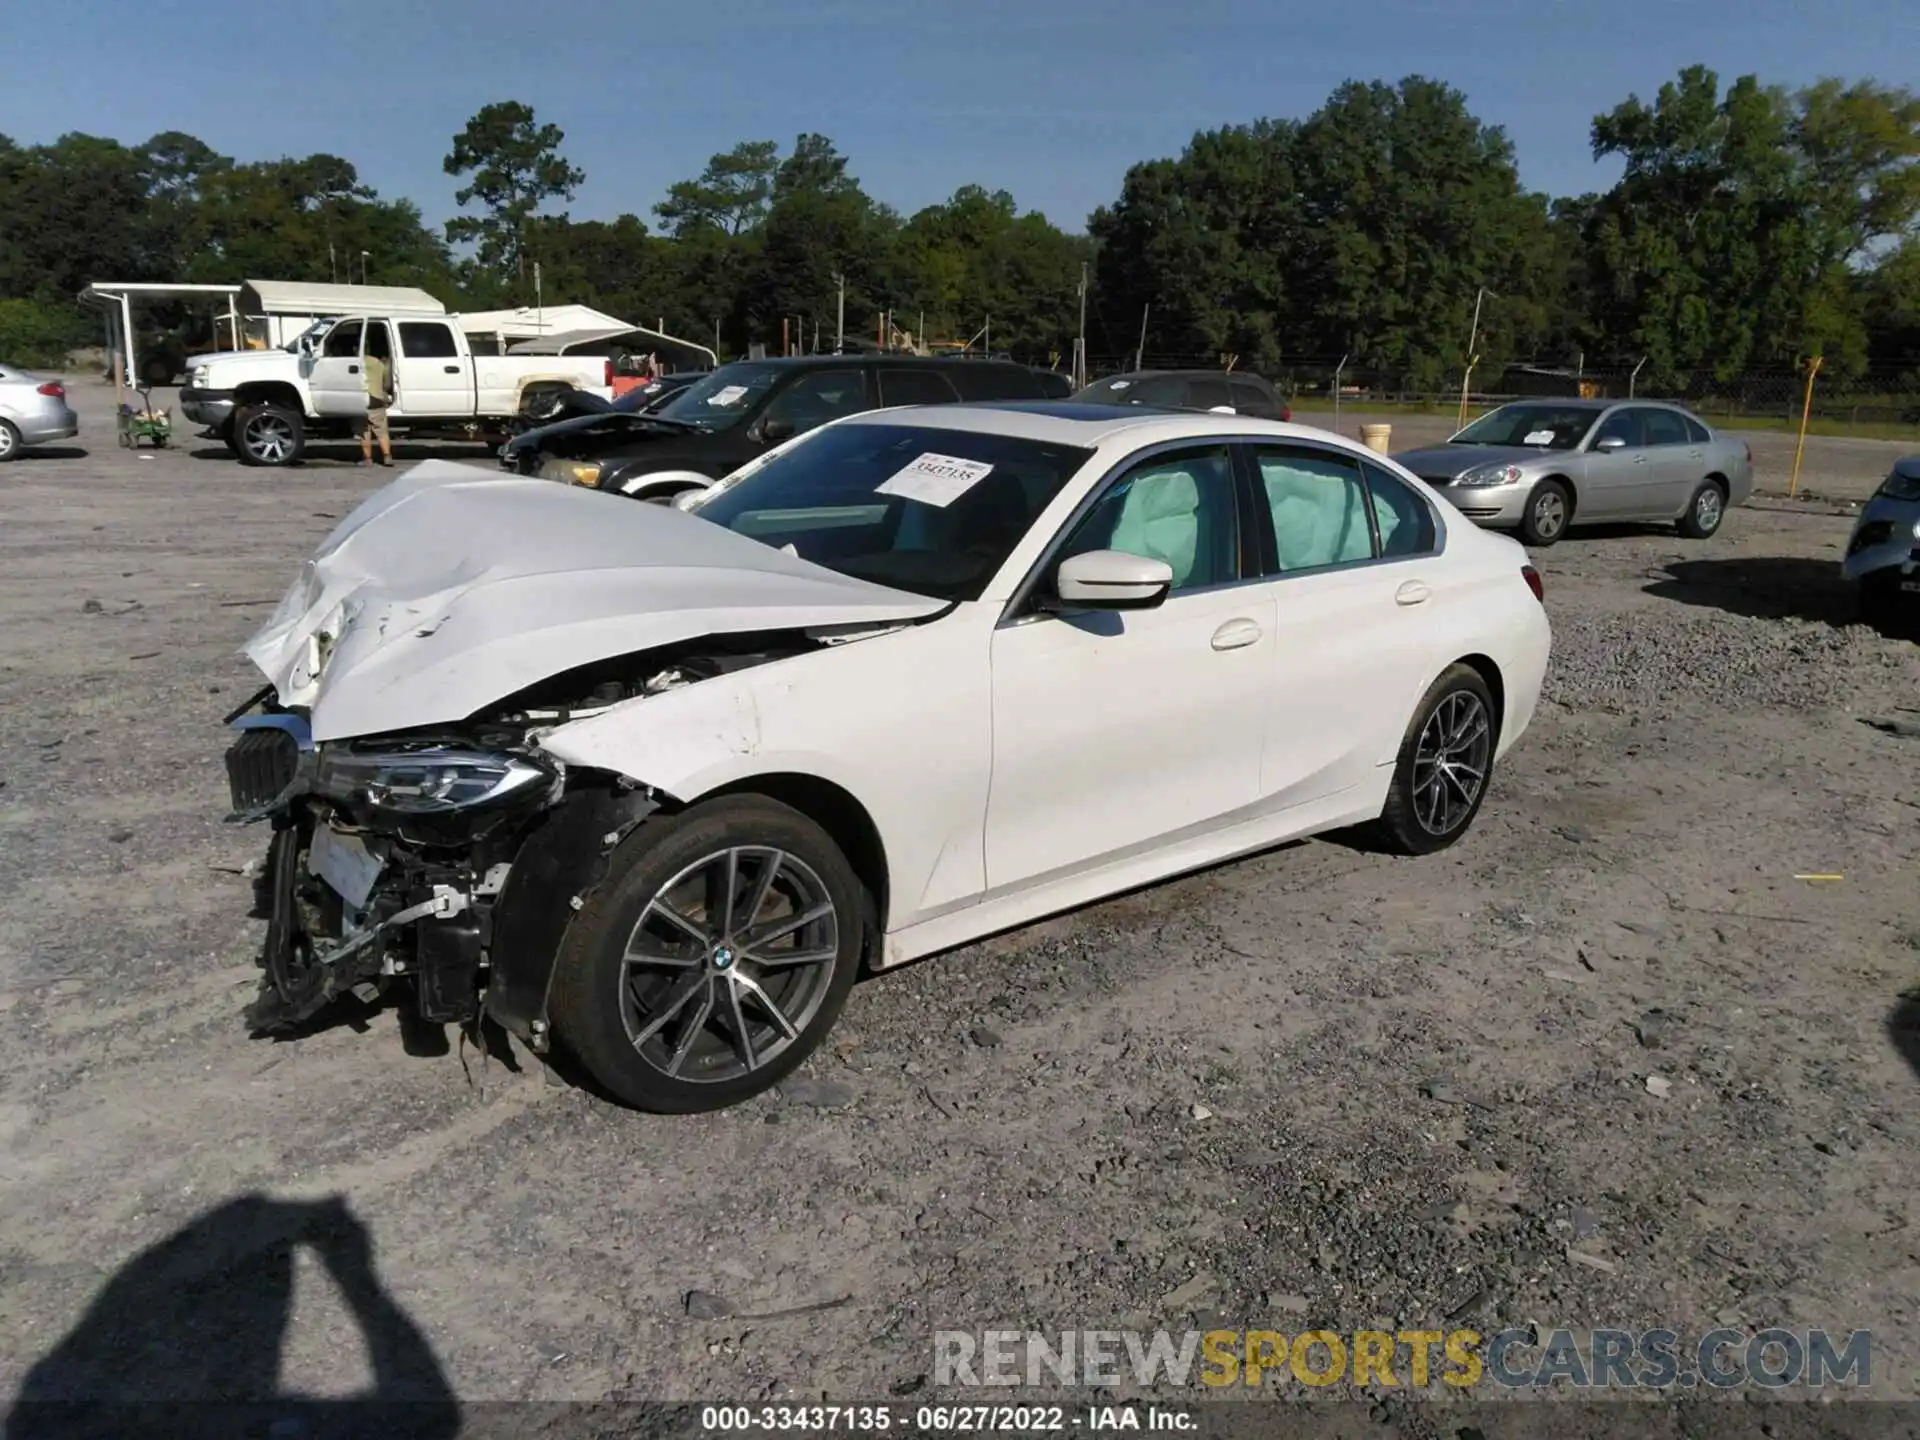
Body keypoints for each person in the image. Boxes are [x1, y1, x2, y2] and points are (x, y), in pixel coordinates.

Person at [359, 324, 396, 467]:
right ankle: (387, 456)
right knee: (382, 431)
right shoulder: (379, 364)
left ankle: (368, 459)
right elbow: (386, 384)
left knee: (364, 432)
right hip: (377, 400)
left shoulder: (357, 362)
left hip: (362, 400)